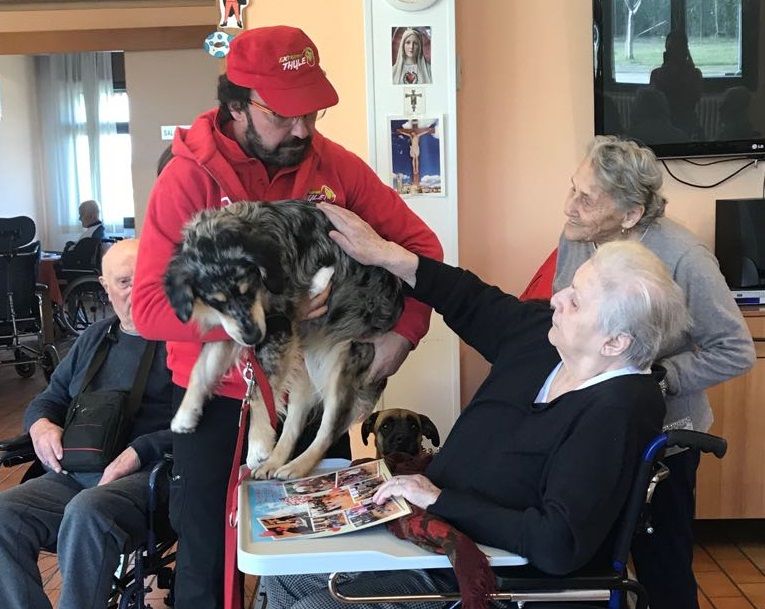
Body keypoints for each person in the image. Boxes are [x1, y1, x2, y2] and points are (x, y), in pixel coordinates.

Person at [131, 25, 442, 609]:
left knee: (321, 556)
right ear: (237, 106)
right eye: (283, 115)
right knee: (208, 563)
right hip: (222, 400)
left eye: (313, 113)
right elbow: (150, 307)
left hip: (314, 395)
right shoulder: (187, 178)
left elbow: (421, 251)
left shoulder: (335, 166)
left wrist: (402, 336)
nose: (302, 130)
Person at [262, 203, 690, 609]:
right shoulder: (542, 338)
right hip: (426, 534)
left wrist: (438, 499)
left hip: (483, 570)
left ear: (615, 342)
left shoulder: (618, 410)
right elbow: (469, 298)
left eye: (575, 301)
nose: (557, 298)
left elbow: (557, 543)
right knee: (279, 575)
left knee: (312, 603)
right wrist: (386, 255)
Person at [552, 136, 756, 609]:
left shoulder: (684, 257)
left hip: (661, 440)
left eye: (587, 198)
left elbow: (735, 350)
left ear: (630, 214)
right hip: (592, 431)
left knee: (663, 570)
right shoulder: (576, 236)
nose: (570, 206)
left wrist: (656, 379)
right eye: (573, 188)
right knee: (589, 562)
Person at [0, 239, 173, 609]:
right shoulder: (94, 338)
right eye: (125, 282)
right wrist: (41, 425)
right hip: (76, 473)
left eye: (147, 278)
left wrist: (140, 450)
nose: (138, 290)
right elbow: (50, 398)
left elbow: (204, 424)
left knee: (87, 511)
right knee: (4, 516)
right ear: (105, 287)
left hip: (149, 476)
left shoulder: (183, 342)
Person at [649, 30, 704, 140]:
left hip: (682, 123)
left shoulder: (693, 74)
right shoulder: (658, 74)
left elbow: (695, 97)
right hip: (670, 124)